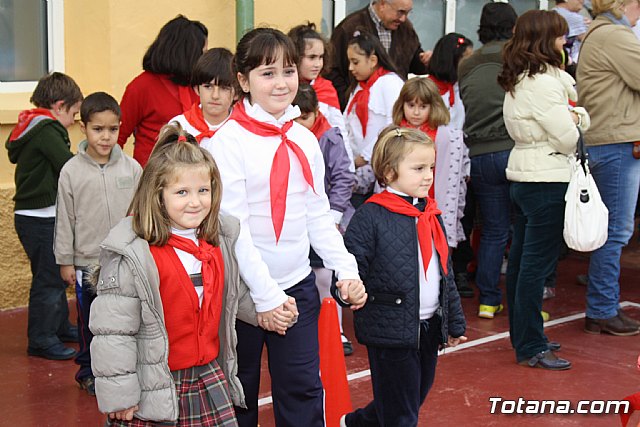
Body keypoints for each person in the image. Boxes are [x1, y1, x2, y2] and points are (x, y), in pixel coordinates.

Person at [203, 28, 367, 427]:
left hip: (297, 288)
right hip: (241, 294)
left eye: (288, 71)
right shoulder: (226, 143)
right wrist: (265, 298)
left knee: (302, 389)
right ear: (242, 81)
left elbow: (317, 213)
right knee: (238, 394)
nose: (281, 83)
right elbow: (234, 229)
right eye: (267, 73)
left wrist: (346, 269)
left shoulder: (304, 139)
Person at [90, 125, 256, 425]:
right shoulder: (133, 255)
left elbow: (232, 294)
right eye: (182, 192)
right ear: (158, 195)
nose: (195, 201)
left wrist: (268, 311)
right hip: (155, 384)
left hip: (207, 377)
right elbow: (114, 335)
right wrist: (121, 397)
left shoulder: (216, 242)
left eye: (202, 190)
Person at [341, 126, 467, 427]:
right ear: (388, 171)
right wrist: (347, 289)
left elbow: (443, 274)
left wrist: (455, 321)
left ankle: (358, 423)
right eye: (419, 168)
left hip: (427, 327)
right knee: (402, 412)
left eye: (431, 167)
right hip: (389, 329)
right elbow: (348, 266)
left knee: (413, 395)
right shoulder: (371, 216)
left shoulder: (431, 215)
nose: (428, 176)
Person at [498, 10, 591, 370]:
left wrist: (573, 116)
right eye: (559, 36)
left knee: (523, 264)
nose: (563, 42)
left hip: (527, 176)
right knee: (534, 267)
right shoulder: (545, 82)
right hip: (547, 179)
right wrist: (580, 116)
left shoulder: (522, 78)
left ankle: (525, 336)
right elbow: (569, 136)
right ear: (544, 39)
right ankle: (531, 344)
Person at [54, 92, 142, 396]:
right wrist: (66, 260)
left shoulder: (132, 169)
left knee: (126, 319)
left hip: (126, 261)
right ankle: (88, 370)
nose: (106, 137)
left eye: (113, 129)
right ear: (83, 128)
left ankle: (125, 368)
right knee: (91, 322)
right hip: (88, 263)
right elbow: (65, 219)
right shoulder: (71, 171)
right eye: (98, 129)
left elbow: (141, 214)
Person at [5, 72, 83, 361]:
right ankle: (41, 338)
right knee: (49, 278)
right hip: (40, 217)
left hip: (33, 215)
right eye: (74, 113)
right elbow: (67, 166)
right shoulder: (48, 129)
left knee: (54, 276)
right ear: (60, 106)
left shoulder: (30, 125)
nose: (74, 121)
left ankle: (60, 326)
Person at [577, 0, 640, 336]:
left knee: (608, 229)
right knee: (615, 230)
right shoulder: (616, 36)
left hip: (605, 138)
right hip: (617, 140)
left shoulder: (599, 33)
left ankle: (601, 307)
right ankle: (602, 308)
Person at [458, 2, 517, 317]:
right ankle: (522, 299)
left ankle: (488, 300)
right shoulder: (517, 57)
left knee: (493, 229)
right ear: (513, 27)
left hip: (478, 154)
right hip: (514, 149)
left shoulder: (467, 64)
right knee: (521, 227)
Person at [391, 77, 472, 299]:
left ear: (433, 106)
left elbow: (460, 177)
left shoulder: (447, 136)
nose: (416, 112)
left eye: (422, 106)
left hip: (434, 206)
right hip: (403, 208)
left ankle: (435, 300)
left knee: (436, 261)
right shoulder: (394, 134)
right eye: (411, 105)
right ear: (402, 105)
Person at [293, 83, 356, 355]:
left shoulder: (330, 137)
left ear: (317, 113)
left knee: (327, 276)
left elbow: (343, 177)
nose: (300, 124)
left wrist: (334, 215)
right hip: (297, 220)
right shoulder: (290, 136)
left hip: (326, 218)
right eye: (294, 118)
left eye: (305, 118)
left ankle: (336, 330)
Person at [118, 15, 207, 167]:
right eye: (202, 52)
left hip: (193, 174)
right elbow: (117, 137)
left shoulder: (202, 87)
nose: (204, 59)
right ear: (188, 53)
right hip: (154, 177)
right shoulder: (141, 87)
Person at [328, 0, 430, 109]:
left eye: (408, 13)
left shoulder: (406, 28)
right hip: (359, 110)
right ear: (382, 4)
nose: (403, 18)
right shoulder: (349, 28)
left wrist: (427, 61)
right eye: (400, 12)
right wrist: (350, 102)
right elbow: (332, 71)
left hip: (396, 108)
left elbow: (413, 61)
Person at [343, 31, 404, 202]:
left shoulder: (390, 83)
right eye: (349, 62)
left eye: (355, 62)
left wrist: (364, 157)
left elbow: (393, 124)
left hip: (376, 167)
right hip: (356, 167)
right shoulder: (359, 87)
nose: (350, 68)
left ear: (373, 60)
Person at [288, 22, 350, 157]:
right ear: (295, 57)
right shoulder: (284, 88)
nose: (318, 64)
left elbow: (339, 129)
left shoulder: (326, 88)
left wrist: (347, 167)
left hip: (322, 157)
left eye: (321, 57)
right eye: (311, 57)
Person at [170, 48, 235, 145]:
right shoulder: (178, 126)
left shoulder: (245, 129)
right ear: (197, 89)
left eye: (224, 88)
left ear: (236, 92)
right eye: (208, 87)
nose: (215, 95)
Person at [553, 0, 590, 67]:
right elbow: (591, 41)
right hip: (571, 65)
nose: (582, 1)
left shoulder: (551, 13)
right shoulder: (575, 18)